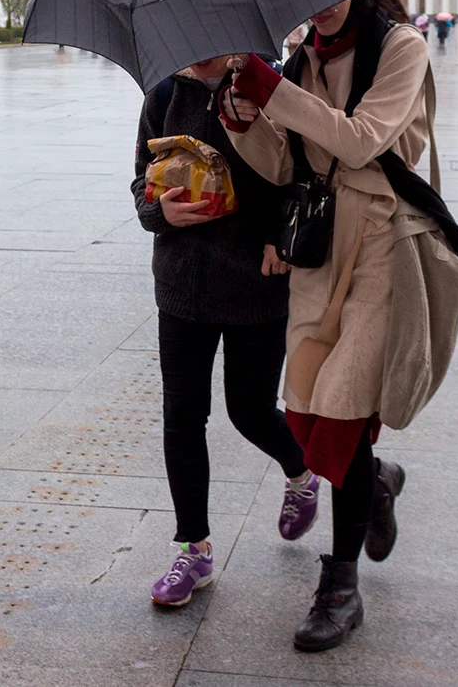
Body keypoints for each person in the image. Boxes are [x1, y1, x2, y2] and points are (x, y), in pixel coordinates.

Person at [219, 0, 425, 653]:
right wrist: (244, 118)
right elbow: (287, 161)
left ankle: (340, 587)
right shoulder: (303, 53)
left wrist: (273, 91)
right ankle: (377, 481)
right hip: (318, 240)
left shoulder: (402, 48)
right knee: (306, 410)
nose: (323, 3)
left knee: (341, 408)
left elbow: (362, 142)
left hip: (381, 243)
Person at [131, 58, 318, 609]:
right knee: (182, 417)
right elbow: (140, 184)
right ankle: (194, 549)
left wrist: (280, 241)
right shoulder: (163, 91)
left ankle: (301, 472)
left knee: (249, 410)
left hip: (257, 283)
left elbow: (304, 175)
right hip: (182, 285)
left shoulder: (272, 86)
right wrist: (158, 210)